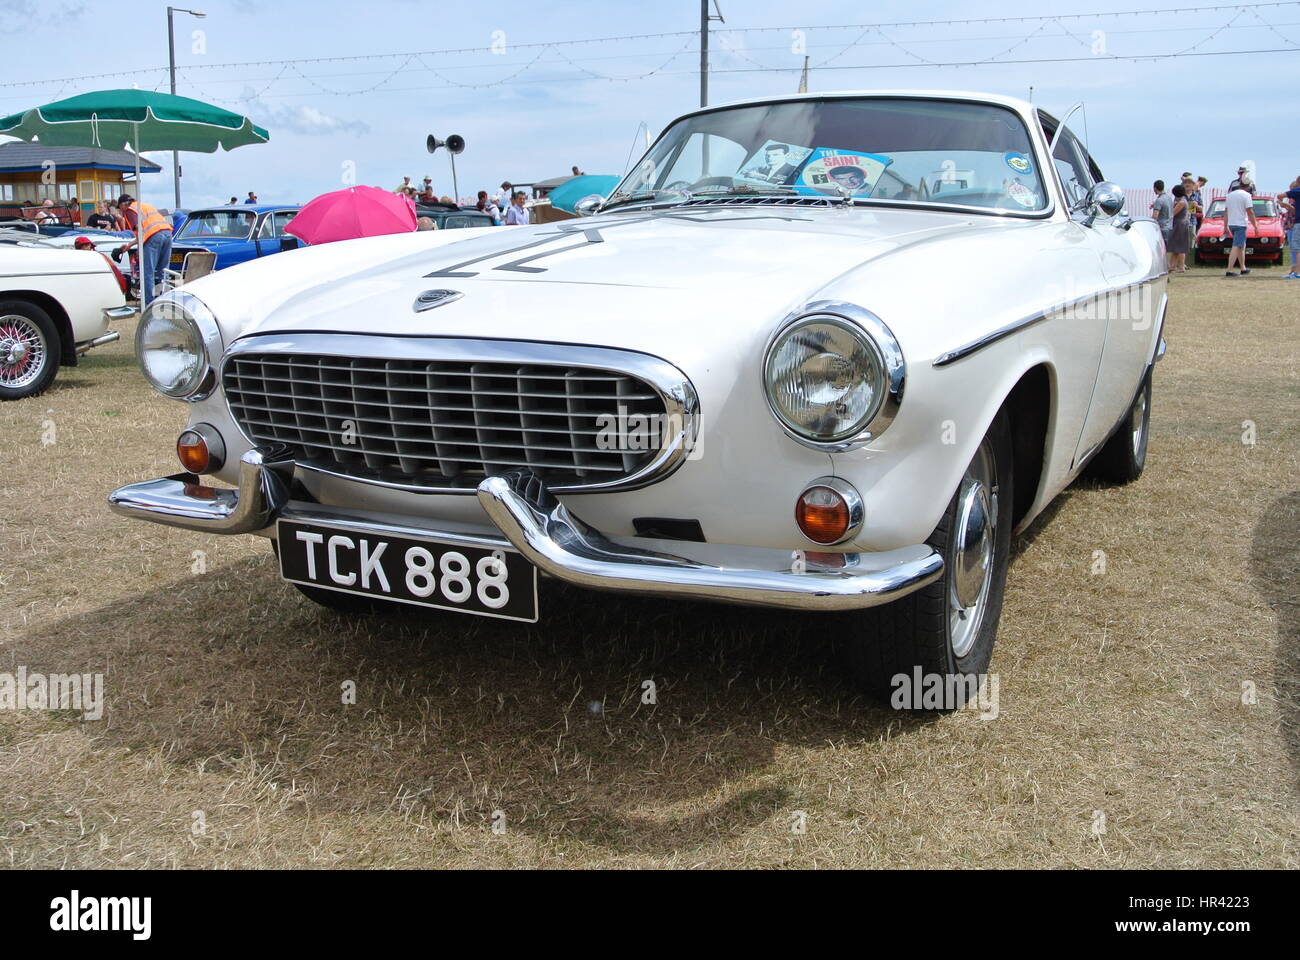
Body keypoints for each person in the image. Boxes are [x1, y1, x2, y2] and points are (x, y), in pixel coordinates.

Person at [112, 193, 173, 305]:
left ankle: (149, 303)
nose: (121, 211)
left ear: (123, 205)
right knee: (164, 272)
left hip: (153, 238)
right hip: (167, 234)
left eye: (120, 208)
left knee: (147, 272)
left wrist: (139, 249)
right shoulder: (144, 206)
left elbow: (140, 231)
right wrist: (129, 246)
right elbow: (148, 231)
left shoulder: (130, 210)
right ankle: (165, 301)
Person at [1223, 180, 1258, 278]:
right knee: (1237, 246)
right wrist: (1255, 225)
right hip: (1240, 224)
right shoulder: (1246, 195)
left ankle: (1243, 268)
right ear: (1248, 186)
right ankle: (1229, 270)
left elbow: (1226, 212)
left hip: (1232, 223)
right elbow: (1250, 211)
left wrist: (1225, 226)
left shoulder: (1229, 195)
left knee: (1241, 246)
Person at [1279, 175, 1300, 279]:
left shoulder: (1295, 195)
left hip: (1295, 224)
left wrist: (1284, 205)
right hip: (1292, 224)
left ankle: (1296, 271)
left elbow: (1293, 210)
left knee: (1295, 249)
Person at [1167, 184, 1190, 272]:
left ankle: (1181, 267)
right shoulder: (1182, 201)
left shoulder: (1181, 202)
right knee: (1176, 247)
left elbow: (1172, 213)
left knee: (1180, 246)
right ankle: (1172, 266)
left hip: (1180, 225)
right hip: (1180, 224)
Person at [1150, 180, 1173, 247]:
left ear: (1155, 188)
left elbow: (1155, 216)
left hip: (1162, 228)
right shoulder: (1169, 198)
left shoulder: (1159, 200)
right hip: (1169, 228)